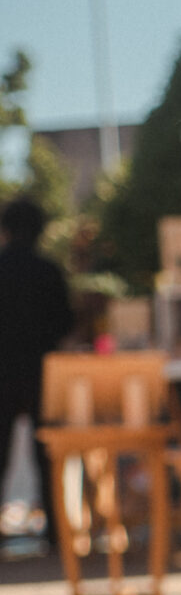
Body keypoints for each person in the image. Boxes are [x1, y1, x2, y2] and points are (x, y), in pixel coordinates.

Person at [0, 196, 76, 528]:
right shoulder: (48, 271)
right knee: (45, 453)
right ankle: (55, 532)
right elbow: (65, 323)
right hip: (41, 372)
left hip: (3, 371)